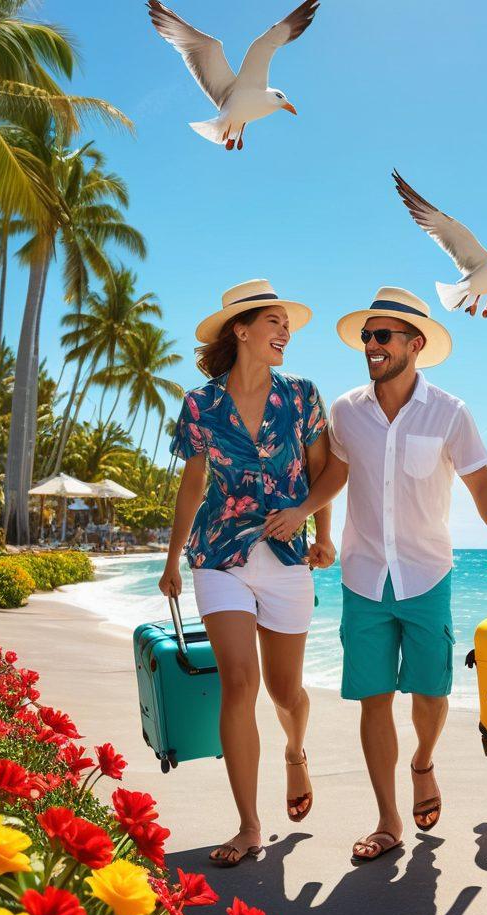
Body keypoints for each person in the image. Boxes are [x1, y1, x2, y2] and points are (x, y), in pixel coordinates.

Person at [263, 287, 487, 862]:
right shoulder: (345, 411)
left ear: (416, 344)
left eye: (383, 335)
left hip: (427, 573)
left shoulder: (450, 412)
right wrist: (307, 516)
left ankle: (424, 762)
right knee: (375, 699)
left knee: (431, 693)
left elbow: (480, 482)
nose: (371, 344)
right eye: (367, 336)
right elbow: (335, 474)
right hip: (363, 577)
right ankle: (387, 819)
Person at [158, 279, 335, 867]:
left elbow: (322, 470)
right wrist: (171, 560)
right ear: (242, 330)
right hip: (218, 556)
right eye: (274, 322)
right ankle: (249, 825)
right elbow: (193, 485)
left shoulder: (302, 395)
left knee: (286, 692)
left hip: (285, 558)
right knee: (239, 682)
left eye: (288, 324)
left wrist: (319, 530)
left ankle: (296, 750)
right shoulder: (200, 404)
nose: (285, 333)